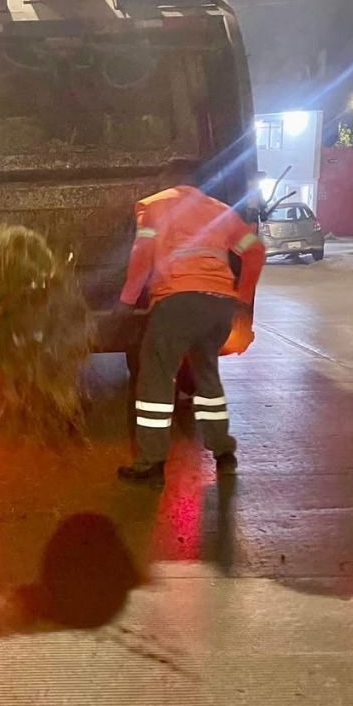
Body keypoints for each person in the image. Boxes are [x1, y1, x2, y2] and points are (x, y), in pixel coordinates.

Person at [115, 164, 266, 484]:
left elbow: (142, 254)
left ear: (167, 182)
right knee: (207, 376)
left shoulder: (154, 205)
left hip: (177, 304)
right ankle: (224, 453)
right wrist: (241, 298)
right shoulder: (221, 211)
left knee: (155, 379)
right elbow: (255, 250)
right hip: (218, 306)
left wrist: (126, 302)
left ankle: (151, 464)